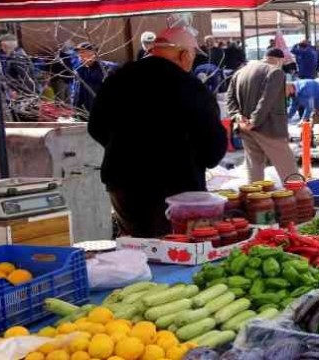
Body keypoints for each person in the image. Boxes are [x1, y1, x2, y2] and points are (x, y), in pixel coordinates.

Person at [88, 27, 227, 238]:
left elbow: (96, 126)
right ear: (184, 55)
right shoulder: (190, 86)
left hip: (122, 181)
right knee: (173, 248)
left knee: (136, 246)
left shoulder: (118, 78)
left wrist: (122, 149)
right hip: (176, 187)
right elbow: (213, 146)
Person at [226, 48, 298, 183]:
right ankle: (300, 201)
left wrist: (237, 116)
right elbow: (267, 100)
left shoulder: (241, 72)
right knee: (289, 172)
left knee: (254, 171)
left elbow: (230, 99)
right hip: (268, 128)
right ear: (280, 60)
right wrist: (254, 120)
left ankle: (256, 201)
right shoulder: (275, 72)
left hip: (244, 127)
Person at [73, 42, 116, 117]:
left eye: (82, 52)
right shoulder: (79, 70)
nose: (79, 55)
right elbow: (76, 93)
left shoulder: (108, 68)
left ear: (93, 53)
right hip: (85, 113)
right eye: (78, 53)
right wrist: (75, 111)